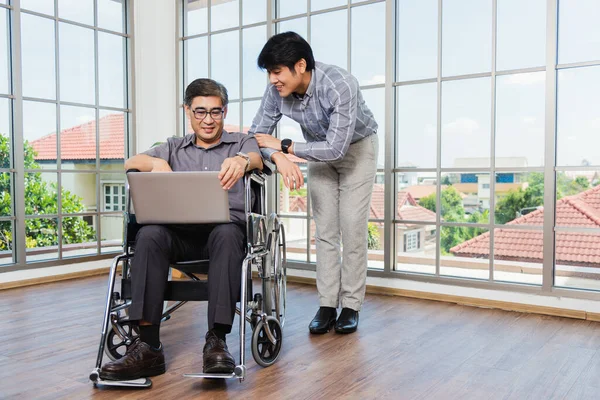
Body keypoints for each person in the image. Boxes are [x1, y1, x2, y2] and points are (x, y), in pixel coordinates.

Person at [99, 78, 263, 381]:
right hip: (179, 235)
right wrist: (153, 164)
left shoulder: (241, 143)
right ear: (187, 111)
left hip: (224, 234)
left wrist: (242, 161)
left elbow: (255, 157)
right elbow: (130, 163)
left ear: (224, 112)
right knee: (148, 235)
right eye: (200, 112)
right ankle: (147, 347)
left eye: (215, 112)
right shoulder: (173, 147)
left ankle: (217, 341)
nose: (208, 120)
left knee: (227, 234)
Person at [249, 32, 378, 334]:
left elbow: (336, 148)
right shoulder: (276, 92)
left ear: (301, 65)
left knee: (351, 226)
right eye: (269, 72)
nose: (272, 80)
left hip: (357, 149)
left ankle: (350, 305)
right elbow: (255, 136)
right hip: (315, 151)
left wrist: (286, 147)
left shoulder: (340, 85)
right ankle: (327, 305)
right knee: (325, 231)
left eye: (277, 71)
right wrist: (279, 158)